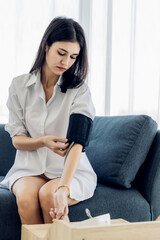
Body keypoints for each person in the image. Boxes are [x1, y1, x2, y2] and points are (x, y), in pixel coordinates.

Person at [0, 16, 97, 224]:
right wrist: (42, 141)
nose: (66, 62)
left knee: (50, 195)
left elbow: (77, 143)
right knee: (26, 198)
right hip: (29, 169)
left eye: (73, 56)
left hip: (69, 172)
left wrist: (63, 187)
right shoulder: (19, 86)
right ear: (46, 45)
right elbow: (17, 140)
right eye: (61, 53)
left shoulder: (79, 91)